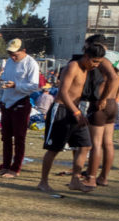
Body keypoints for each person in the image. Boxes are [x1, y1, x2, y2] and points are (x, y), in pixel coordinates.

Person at [38, 42, 105, 194]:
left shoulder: (88, 70)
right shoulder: (73, 66)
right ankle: (43, 182)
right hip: (61, 109)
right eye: (94, 61)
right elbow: (63, 91)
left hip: (76, 111)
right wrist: (76, 112)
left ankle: (75, 180)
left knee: (85, 145)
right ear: (86, 56)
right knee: (53, 149)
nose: (95, 65)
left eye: (99, 62)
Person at [78, 34, 119, 187]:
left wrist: (102, 98)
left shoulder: (102, 59)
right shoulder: (114, 58)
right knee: (107, 143)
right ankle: (103, 177)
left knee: (95, 143)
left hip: (102, 104)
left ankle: (91, 177)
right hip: (112, 104)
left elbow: (114, 78)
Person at [0, 38, 40, 177]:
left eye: (15, 54)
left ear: (23, 51)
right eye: (10, 53)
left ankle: (15, 168)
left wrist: (15, 86)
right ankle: (6, 165)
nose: (12, 57)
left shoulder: (31, 64)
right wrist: (1, 82)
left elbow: (33, 86)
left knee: (19, 138)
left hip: (20, 102)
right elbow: (7, 78)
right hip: (7, 102)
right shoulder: (9, 62)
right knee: (6, 137)